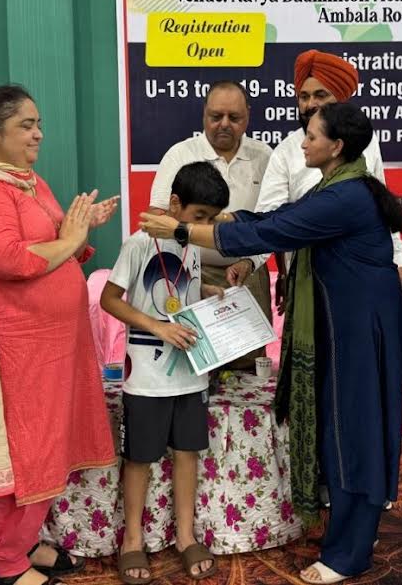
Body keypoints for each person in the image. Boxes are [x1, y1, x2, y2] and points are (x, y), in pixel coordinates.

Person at [140, 103, 402, 584]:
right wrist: (227, 216)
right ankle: (355, 532)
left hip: (360, 329)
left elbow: (272, 231)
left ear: (337, 147)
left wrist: (181, 229)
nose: (302, 143)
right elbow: (280, 215)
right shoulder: (337, 186)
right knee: (348, 429)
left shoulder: (346, 196)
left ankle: (349, 554)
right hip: (348, 324)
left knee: (356, 432)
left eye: (312, 136)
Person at [0, 84, 118, 585]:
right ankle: (8, 563)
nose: (38, 134)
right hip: (16, 346)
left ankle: (26, 542)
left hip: (53, 344)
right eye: (26, 125)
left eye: (38, 125)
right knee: (18, 452)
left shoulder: (26, 181)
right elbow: (10, 260)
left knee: (45, 446)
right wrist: (71, 238)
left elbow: (56, 246)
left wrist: (81, 229)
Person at [101, 162, 228, 584]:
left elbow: (179, 291)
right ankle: (132, 540)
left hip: (191, 372)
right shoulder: (139, 243)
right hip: (147, 376)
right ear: (174, 203)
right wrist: (156, 327)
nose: (204, 226)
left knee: (188, 452)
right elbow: (109, 299)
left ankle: (185, 535)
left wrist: (205, 290)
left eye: (211, 220)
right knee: (139, 458)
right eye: (199, 216)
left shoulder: (191, 244)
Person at [255, 50, 402, 313]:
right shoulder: (286, 152)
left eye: (320, 95)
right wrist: (252, 263)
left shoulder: (367, 143)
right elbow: (267, 218)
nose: (310, 104)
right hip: (309, 281)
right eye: (304, 97)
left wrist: (400, 260)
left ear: (341, 100)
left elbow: (382, 206)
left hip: (364, 274)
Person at [148, 80, 272, 368]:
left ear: (248, 116)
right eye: (216, 116)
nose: (224, 124)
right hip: (190, 271)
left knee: (247, 365)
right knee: (192, 362)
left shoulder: (264, 157)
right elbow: (157, 218)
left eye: (234, 117)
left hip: (247, 272)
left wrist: (251, 262)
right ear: (204, 113)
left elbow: (271, 223)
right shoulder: (181, 154)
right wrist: (189, 273)